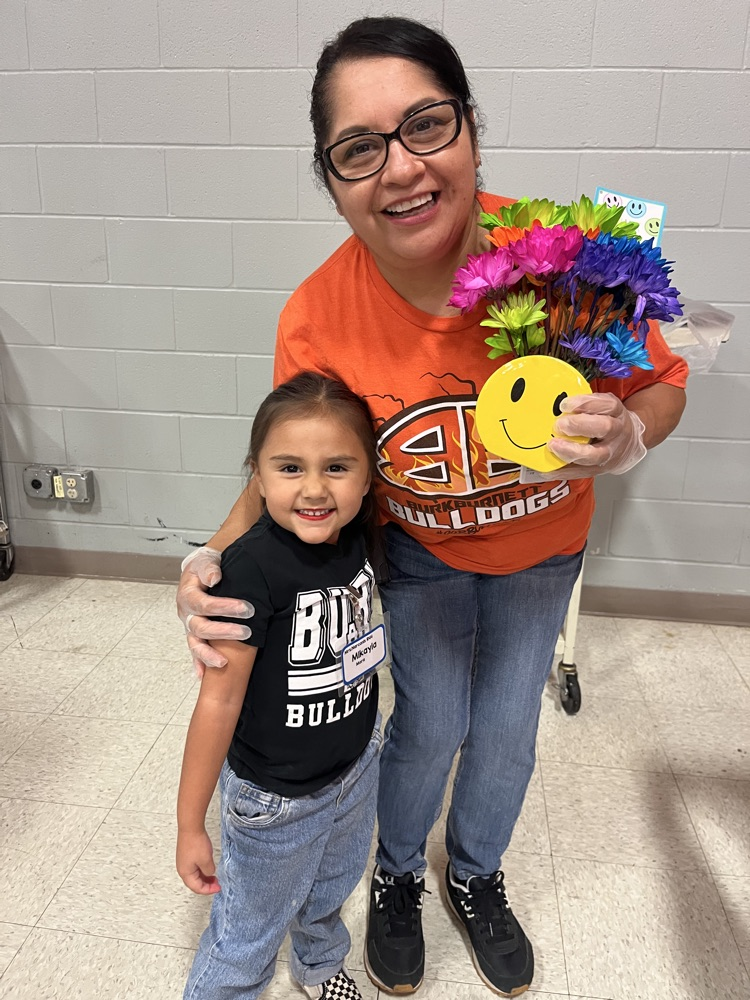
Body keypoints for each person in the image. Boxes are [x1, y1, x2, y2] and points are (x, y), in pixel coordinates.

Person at [177, 16, 688, 998]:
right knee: (429, 721)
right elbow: (294, 462)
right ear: (330, 179)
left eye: (427, 124)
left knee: (504, 730)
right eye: (359, 149)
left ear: (471, 130)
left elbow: (664, 381)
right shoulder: (319, 314)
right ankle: (399, 873)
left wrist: (634, 432)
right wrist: (210, 554)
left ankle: (477, 871)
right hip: (418, 554)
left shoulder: (567, 257)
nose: (401, 169)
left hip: (545, 554)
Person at [176, 371, 382, 1000]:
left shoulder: (360, 539)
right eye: (290, 468)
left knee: (328, 892)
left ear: (368, 476)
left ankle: (319, 968)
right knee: (247, 934)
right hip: (275, 801)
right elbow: (218, 702)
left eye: (338, 467)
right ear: (257, 477)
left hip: (353, 772)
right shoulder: (248, 571)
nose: (315, 489)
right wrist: (190, 824)